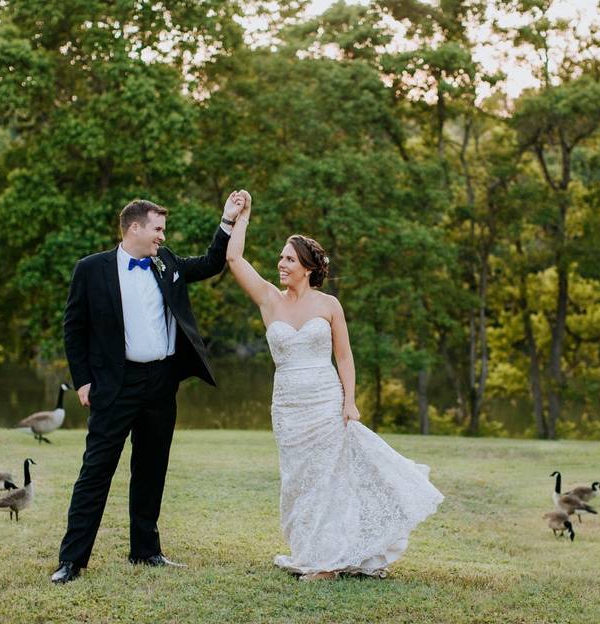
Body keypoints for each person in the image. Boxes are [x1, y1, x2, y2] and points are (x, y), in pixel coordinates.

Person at [225, 190, 443, 580]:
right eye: (280, 257)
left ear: (307, 267)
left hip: (325, 402)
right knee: (299, 482)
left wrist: (350, 401)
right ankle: (310, 551)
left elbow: (344, 356)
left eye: (289, 258)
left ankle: (326, 564)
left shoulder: (329, 305)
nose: (281, 263)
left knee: (328, 481)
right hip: (288, 407)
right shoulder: (269, 301)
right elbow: (233, 258)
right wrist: (242, 217)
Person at [51, 193, 245, 584]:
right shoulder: (90, 269)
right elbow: (74, 329)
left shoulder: (166, 261)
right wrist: (83, 380)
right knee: (96, 471)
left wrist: (227, 221)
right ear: (134, 228)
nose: (162, 236)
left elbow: (210, 264)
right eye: (157, 229)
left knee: (151, 468)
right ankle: (72, 560)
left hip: (160, 383)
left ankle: (146, 550)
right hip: (114, 385)